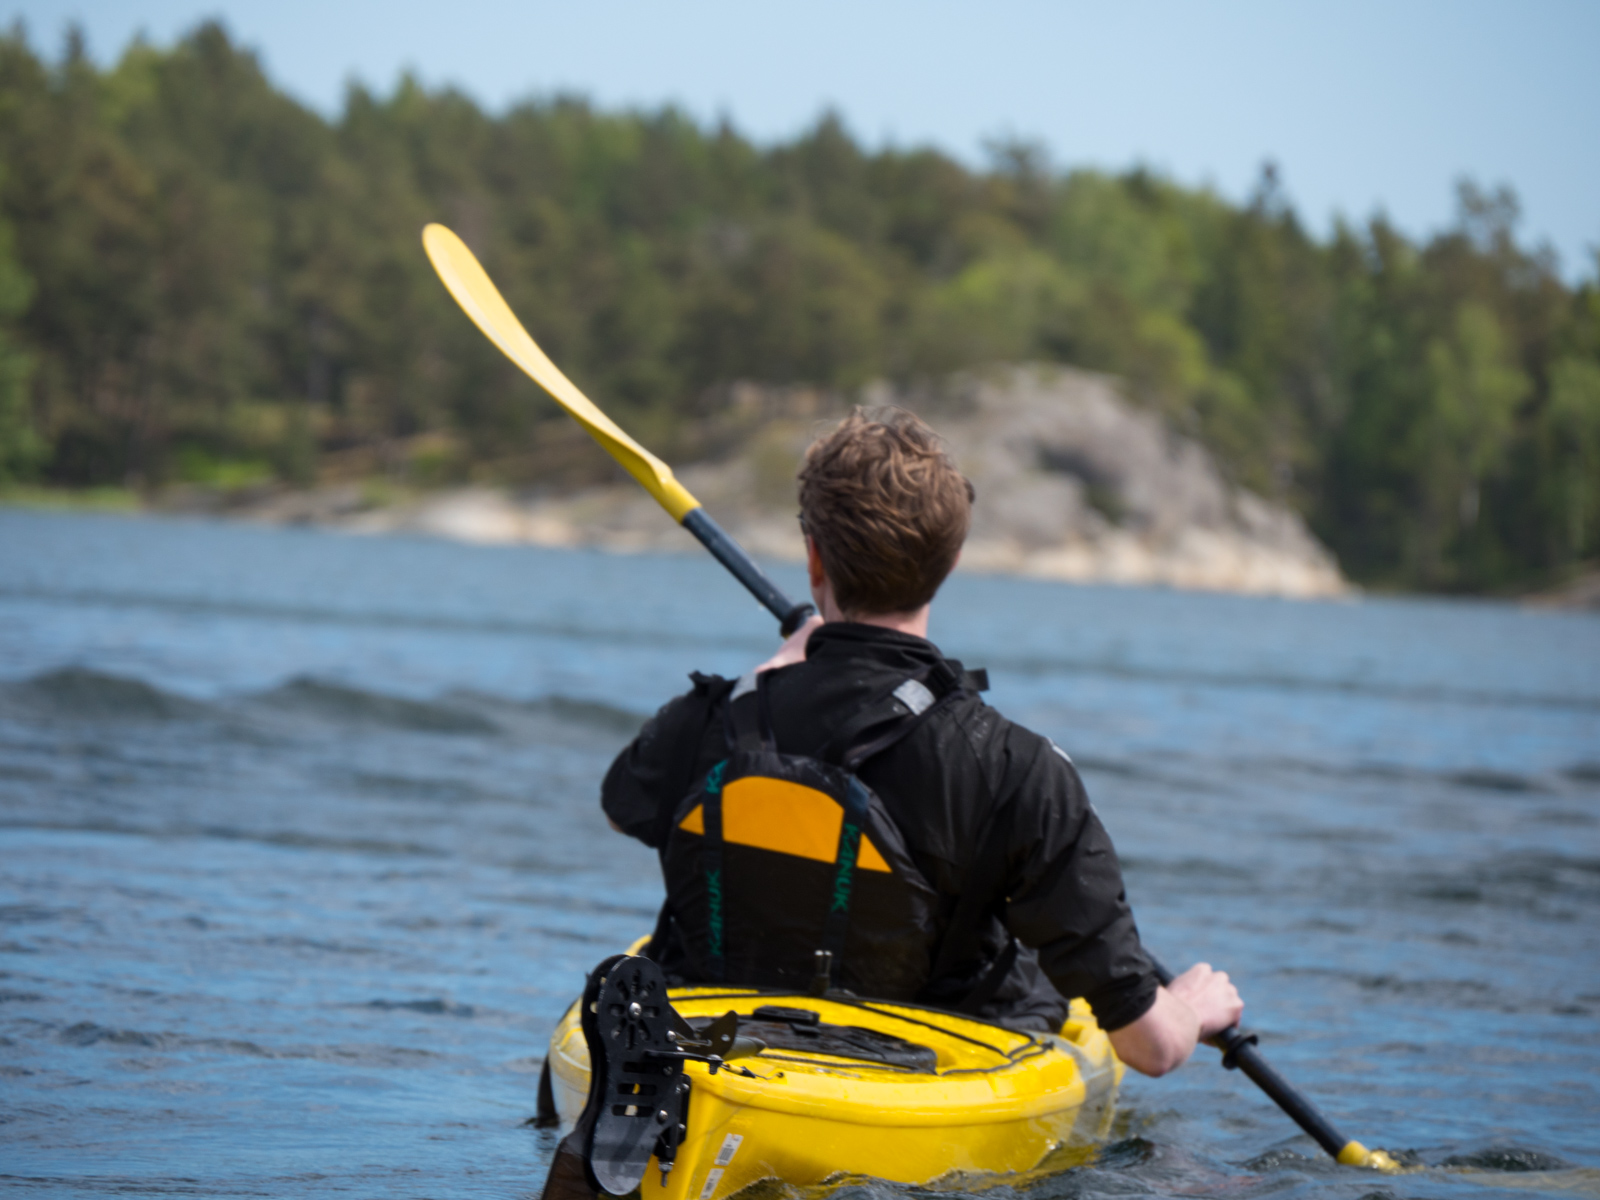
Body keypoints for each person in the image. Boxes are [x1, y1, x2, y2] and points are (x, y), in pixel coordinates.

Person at [600, 408, 1241, 1076]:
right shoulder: (1019, 770)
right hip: (922, 1069)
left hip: (707, 1043)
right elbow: (1151, 1048)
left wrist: (759, 685)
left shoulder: (710, 719)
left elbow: (624, 810)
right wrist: (1190, 1009)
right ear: (952, 560)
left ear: (813, 556)